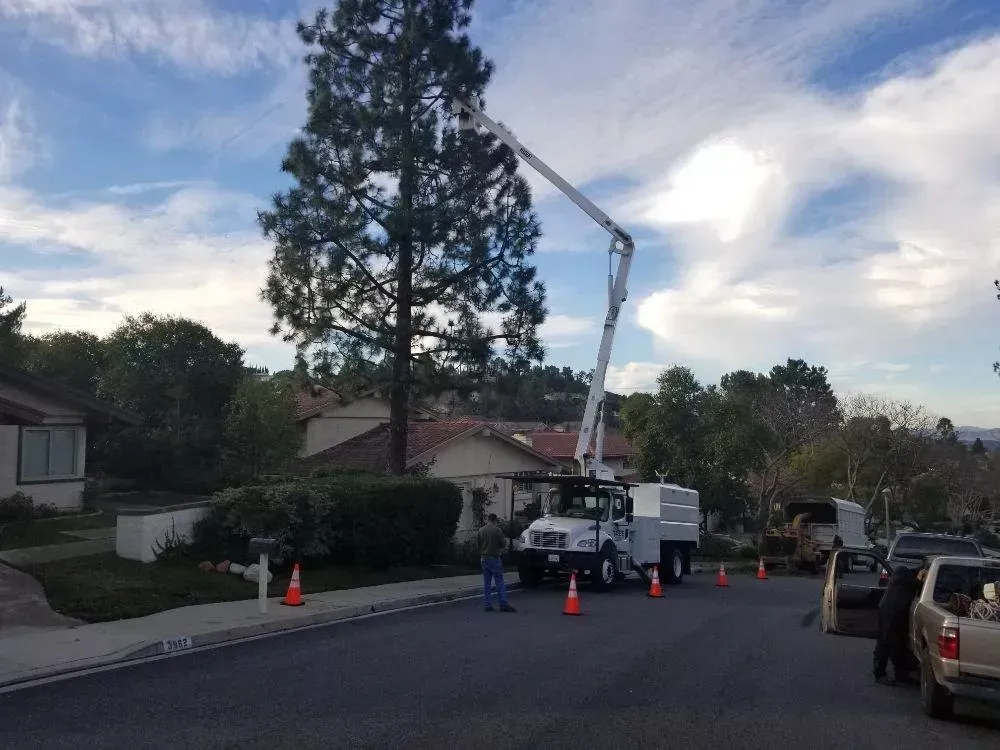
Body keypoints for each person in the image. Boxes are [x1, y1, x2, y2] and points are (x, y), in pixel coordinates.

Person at [873, 566, 921, 684]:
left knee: (895, 645)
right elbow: (915, 584)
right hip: (893, 614)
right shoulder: (905, 581)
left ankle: (899, 674)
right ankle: (881, 673)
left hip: (890, 612)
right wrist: (921, 580)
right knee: (888, 644)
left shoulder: (900, 576)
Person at [478, 513, 516, 613]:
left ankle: (487, 604)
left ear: (488, 520)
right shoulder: (497, 530)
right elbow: (503, 544)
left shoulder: (481, 530)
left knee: (487, 583)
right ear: (495, 520)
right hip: (494, 558)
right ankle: (503, 604)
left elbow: (478, 544)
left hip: (484, 558)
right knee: (499, 582)